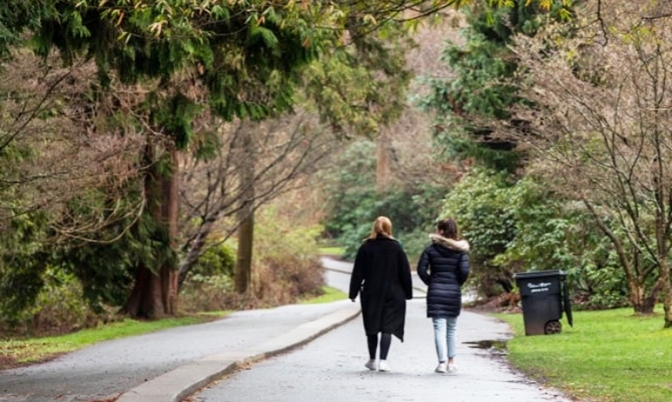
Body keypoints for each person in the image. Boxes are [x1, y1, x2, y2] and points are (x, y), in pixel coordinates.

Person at [349, 216, 413, 372]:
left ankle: (372, 359)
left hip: (372, 292)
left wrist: (353, 292)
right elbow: (405, 272)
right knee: (387, 327)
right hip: (393, 292)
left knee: (372, 325)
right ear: (389, 229)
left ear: (374, 228)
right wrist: (408, 292)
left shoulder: (366, 248)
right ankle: (383, 360)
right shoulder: (396, 247)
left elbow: (358, 272)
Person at [417, 218, 470, 374]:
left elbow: (421, 270)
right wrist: (457, 283)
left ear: (440, 231)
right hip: (453, 291)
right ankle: (451, 362)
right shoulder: (461, 251)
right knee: (451, 329)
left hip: (436, 292)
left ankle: (441, 363)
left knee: (439, 328)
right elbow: (465, 271)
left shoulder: (430, 250)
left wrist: (432, 283)